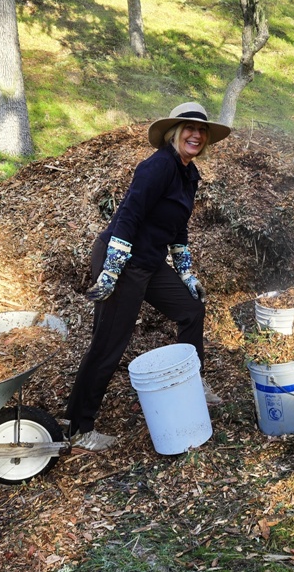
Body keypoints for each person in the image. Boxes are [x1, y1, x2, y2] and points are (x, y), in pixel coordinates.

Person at [65, 101, 232, 451]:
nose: (197, 135)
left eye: (202, 130)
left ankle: (194, 380)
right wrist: (112, 269)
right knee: (109, 344)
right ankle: (78, 427)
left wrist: (186, 272)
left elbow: (178, 227)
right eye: (189, 128)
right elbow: (128, 215)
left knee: (191, 308)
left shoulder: (189, 174)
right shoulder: (157, 167)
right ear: (174, 132)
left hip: (150, 263)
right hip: (123, 260)